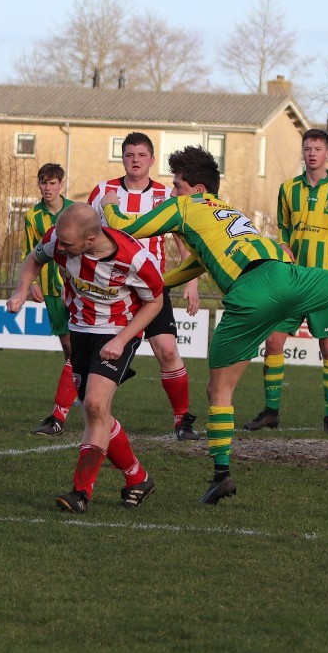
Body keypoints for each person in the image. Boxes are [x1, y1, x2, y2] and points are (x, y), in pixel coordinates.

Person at [103, 146, 328, 503]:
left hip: (249, 294)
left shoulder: (185, 206)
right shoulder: (227, 211)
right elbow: (195, 264)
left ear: (196, 189)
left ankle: (221, 475)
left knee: (219, 391)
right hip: (286, 274)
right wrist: (156, 284)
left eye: (177, 185)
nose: (172, 192)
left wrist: (107, 200)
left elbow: (123, 226)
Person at [8, 204, 164, 513]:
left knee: (94, 404)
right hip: (79, 330)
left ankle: (81, 492)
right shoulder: (58, 238)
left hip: (118, 331)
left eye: (68, 244)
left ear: (91, 239)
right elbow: (34, 259)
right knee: (98, 413)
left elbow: (155, 302)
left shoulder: (135, 259)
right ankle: (138, 478)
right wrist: (21, 290)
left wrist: (121, 340)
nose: (60, 248)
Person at [88, 132, 202, 441]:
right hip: (112, 288)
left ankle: (182, 420)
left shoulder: (167, 195)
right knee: (93, 351)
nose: (135, 160)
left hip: (152, 287)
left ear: (152, 159)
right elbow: (86, 234)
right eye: (129, 155)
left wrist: (191, 282)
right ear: (122, 158)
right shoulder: (103, 191)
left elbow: (185, 243)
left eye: (141, 155)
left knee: (167, 350)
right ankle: (69, 413)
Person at [246, 128, 328, 433]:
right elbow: (282, 228)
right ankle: (271, 411)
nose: (312, 154)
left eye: (318, 149)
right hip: (292, 281)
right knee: (273, 341)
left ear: (327, 154)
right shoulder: (288, 188)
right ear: (303, 152)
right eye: (308, 148)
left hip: (323, 283)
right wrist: (283, 245)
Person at [24, 163, 80, 436]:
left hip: (78, 286)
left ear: (61, 184)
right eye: (43, 183)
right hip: (51, 288)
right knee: (67, 343)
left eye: (52, 183)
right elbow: (30, 251)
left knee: (80, 339)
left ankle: (79, 388)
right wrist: (31, 283)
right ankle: (77, 384)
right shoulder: (32, 216)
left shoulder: (75, 210)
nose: (48, 188)